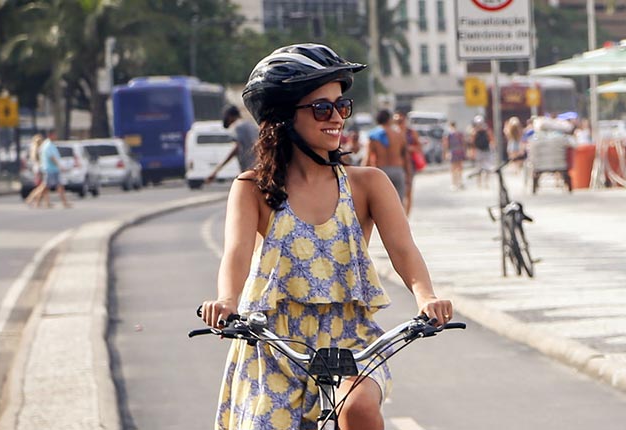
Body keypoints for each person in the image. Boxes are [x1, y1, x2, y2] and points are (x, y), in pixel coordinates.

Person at [198, 44, 453, 430]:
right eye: (322, 108)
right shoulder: (253, 188)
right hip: (274, 343)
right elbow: (235, 253)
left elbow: (403, 250)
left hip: (351, 342)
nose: (337, 118)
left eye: (341, 106)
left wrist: (426, 297)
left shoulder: (369, 184)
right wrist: (226, 302)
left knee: (358, 409)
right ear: (284, 117)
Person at [207, 106, 261, 184]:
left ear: (230, 116)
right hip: (259, 167)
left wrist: (216, 170)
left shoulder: (237, 127)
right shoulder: (250, 124)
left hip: (249, 169)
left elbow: (236, 148)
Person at [39, 132, 71, 209]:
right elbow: (51, 157)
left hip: (53, 169)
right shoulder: (47, 145)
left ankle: (63, 203)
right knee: (46, 187)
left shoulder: (51, 144)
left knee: (57, 186)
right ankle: (35, 199)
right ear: (50, 135)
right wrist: (59, 166)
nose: (56, 136)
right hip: (50, 169)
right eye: (54, 135)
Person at [24, 133, 50, 208]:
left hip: (37, 169)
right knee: (42, 186)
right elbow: (41, 161)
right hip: (40, 169)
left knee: (44, 187)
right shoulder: (39, 150)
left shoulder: (34, 149)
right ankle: (30, 199)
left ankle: (42, 202)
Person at [444, 121, 467, 191]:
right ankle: (460, 182)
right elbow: (463, 142)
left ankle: (454, 183)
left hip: (453, 151)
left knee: (453, 168)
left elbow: (446, 144)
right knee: (460, 167)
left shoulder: (448, 134)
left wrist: (446, 152)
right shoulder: (459, 133)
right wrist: (464, 151)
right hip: (459, 151)